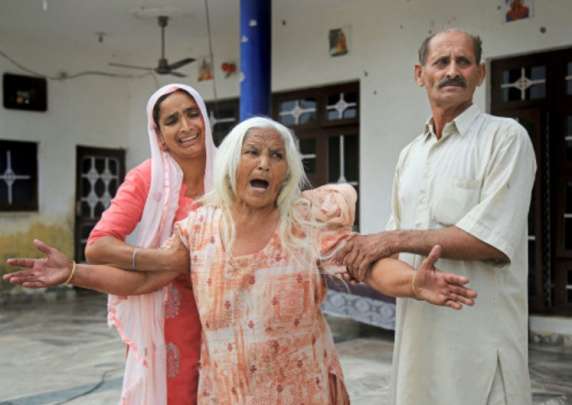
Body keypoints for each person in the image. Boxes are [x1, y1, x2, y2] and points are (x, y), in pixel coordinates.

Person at [5, 117, 477, 404]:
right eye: (253, 152)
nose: (265, 162)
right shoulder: (199, 227)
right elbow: (146, 280)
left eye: (276, 155)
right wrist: (72, 272)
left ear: (286, 173)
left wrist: (414, 283)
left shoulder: (305, 222)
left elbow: (366, 265)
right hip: (227, 392)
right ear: (232, 164)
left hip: (302, 391)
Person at [336, 29, 536, 405]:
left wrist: (390, 240)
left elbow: (492, 239)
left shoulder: (505, 138)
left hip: (481, 355)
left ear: (481, 73)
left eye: (464, 62)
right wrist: (362, 261)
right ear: (420, 74)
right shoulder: (410, 155)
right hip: (417, 356)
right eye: (441, 62)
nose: (452, 71)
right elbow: (389, 257)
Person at [84, 83, 217, 404]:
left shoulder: (231, 171)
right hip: (170, 315)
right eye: (171, 121)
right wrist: (166, 261)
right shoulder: (148, 178)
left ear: (205, 117)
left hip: (229, 310)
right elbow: (98, 246)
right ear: (158, 134)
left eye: (192, 114)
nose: (186, 127)